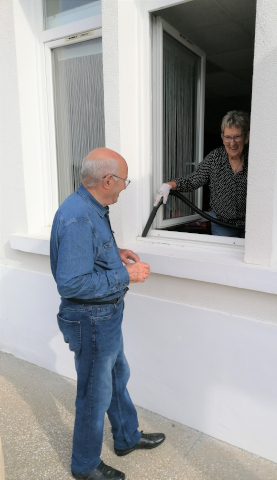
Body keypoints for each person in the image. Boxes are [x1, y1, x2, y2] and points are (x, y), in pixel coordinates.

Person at [50, 148, 165, 480]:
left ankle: (127, 437)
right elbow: (71, 283)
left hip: (104, 318)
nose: (124, 187)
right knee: (93, 395)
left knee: (117, 377)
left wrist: (116, 253)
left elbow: (90, 253)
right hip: (92, 321)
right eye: (124, 181)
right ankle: (84, 467)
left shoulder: (92, 207)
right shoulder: (78, 217)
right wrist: (126, 274)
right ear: (107, 180)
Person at [155, 110, 250, 238]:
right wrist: (169, 185)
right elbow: (194, 180)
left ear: (246, 137)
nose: (232, 143)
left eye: (237, 136)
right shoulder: (215, 158)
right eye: (228, 137)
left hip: (250, 225)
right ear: (222, 138)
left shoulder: (254, 160)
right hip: (222, 225)